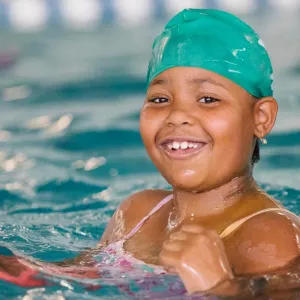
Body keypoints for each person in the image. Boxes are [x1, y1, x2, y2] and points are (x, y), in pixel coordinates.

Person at [1, 8, 300, 298]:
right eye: (160, 98)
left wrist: (219, 286)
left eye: (208, 99)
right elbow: (73, 279)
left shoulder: (272, 236)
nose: (177, 115)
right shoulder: (137, 213)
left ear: (261, 118)